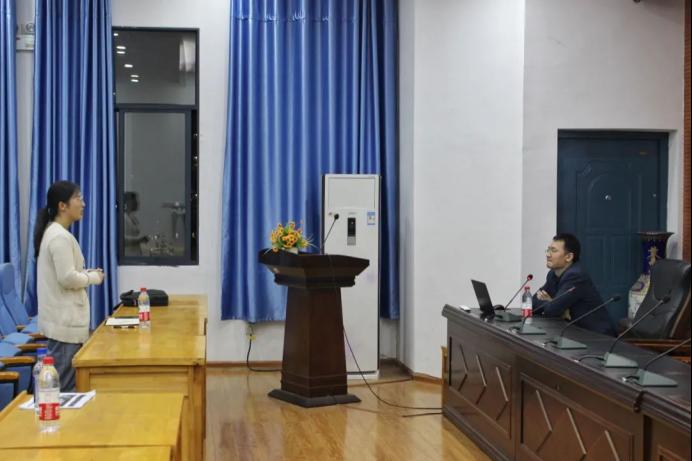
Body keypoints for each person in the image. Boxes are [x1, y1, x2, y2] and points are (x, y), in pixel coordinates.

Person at [35, 181, 105, 391]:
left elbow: (67, 273)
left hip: (64, 323)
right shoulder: (59, 236)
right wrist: (93, 278)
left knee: (65, 387)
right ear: (62, 206)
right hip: (64, 325)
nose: (83, 204)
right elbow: (67, 278)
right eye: (78, 198)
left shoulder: (56, 233)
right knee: (64, 391)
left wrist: (86, 273)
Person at [532, 233, 615, 336]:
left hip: (598, 336)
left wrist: (552, 305)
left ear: (569, 257)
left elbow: (551, 310)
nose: (548, 254)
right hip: (575, 332)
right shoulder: (552, 274)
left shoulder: (576, 276)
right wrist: (553, 305)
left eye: (553, 250)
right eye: (548, 250)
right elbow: (533, 303)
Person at [123, 191, 148, 256]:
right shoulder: (122, 217)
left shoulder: (133, 218)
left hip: (136, 253)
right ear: (128, 202)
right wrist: (139, 240)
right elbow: (120, 239)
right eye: (135, 200)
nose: (137, 203)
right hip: (127, 255)